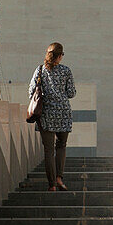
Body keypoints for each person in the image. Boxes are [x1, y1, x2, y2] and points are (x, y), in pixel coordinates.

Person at [29, 42, 76, 190]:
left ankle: (52, 185)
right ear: (60, 56)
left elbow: (31, 91)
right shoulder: (66, 71)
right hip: (63, 113)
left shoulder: (40, 70)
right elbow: (71, 93)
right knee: (61, 146)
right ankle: (59, 178)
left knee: (49, 150)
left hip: (46, 114)